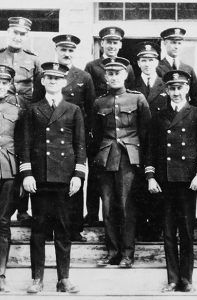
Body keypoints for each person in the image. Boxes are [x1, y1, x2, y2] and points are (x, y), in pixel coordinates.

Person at [145, 70, 197, 292]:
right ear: (166, 90)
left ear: (187, 89)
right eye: (172, 88)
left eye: (180, 88)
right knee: (168, 231)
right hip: (165, 180)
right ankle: (172, 278)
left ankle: (187, 279)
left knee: (185, 230)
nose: (176, 92)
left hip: (187, 180)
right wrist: (150, 176)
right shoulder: (158, 116)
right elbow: (150, 149)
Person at [20, 62, 86, 294]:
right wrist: (27, 173)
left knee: (63, 229)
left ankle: (63, 278)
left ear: (64, 82)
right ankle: (37, 278)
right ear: (42, 81)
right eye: (48, 78)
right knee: (38, 229)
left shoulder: (73, 109)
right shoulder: (32, 109)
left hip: (63, 177)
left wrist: (78, 174)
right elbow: (25, 144)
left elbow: (80, 144)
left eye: (57, 78)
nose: (52, 82)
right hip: (39, 177)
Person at [89, 57, 151, 268]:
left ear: (125, 75)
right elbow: (96, 134)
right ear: (105, 76)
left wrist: (142, 160)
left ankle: (127, 254)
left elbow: (146, 132)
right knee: (107, 207)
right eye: (110, 74)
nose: (114, 77)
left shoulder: (138, 99)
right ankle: (112, 252)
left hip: (129, 159)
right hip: (106, 159)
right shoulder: (99, 102)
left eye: (118, 73)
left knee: (126, 207)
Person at [84, 26, 135, 226]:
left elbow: (127, 93)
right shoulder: (92, 66)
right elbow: (89, 99)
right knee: (96, 172)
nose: (112, 46)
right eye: (108, 42)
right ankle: (91, 213)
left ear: (120, 45)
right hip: (99, 125)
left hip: (119, 127)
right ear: (102, 43)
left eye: (115, 42)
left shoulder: (127, 67)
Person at [52, 34, 95, 241]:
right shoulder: (47, 74)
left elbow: (91, 109)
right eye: (63, 50)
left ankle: (75, 227)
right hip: (51, 137)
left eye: (70, 50)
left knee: (75, 180)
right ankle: (52, 226)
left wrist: (86, 136)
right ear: (57, 51)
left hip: (74, 136)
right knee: (50, 181)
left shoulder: (84, 77)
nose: (66, 54)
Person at [0, 17, 42, 223]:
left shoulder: (33, 60)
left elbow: (40, 90)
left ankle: (23, 209)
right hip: (3, 114)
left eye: (22, 34)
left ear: (27, 36)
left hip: (25, 114)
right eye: (15, 32)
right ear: (8, 33)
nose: (18, 37)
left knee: (24, 157)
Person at [134, 41, 166, 241]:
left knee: (159, 186)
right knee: (138, 186)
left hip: (161, 144)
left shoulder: (166, 85)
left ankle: (157, 230)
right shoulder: (131, 85)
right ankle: (139, 230)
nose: (147, 64)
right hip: (137, 143)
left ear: (157, 62)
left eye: (151, 60)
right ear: (138, 63)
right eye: (143, 60)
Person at [0, 65, 24, 292]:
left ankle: (1, 274)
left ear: (9, 86)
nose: (0, 85)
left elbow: (23, 143)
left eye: (3, 82)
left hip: (8, 170)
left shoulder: (17, 110)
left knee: (3, 221)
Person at [156, 28, 197, 107]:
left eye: (179, 43)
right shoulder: (156, 68)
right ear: (165, 43)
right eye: (173, 43)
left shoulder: (188, 69)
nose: (176, 47)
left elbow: (196, 98)